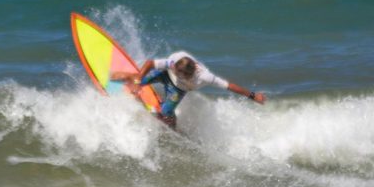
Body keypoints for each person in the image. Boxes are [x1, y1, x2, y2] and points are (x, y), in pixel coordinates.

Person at [112, 51, 265, 129]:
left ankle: (173, 131)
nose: (176, 72)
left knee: (166, 116)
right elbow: (150, 63)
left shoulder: (205, 77)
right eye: (175, 70)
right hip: (163, 75)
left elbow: (229, 85)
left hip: (178, 90)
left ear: (189, 75)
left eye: (179, 74)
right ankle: (130, 76)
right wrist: (138, 80)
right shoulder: (173, 63)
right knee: (139, 80)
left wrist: (253, 95)